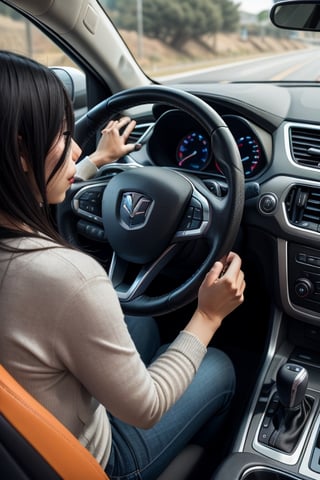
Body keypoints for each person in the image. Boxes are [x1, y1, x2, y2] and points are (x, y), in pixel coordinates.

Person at [0, 50, 246, 480]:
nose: (77, 147)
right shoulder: (66, 275)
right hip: (91, 460)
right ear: (22, 152)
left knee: (145, 326)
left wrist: (97, 161)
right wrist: (208, 315)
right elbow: (146, 408)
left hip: (23, 443)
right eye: (61, 135)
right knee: (221, 366)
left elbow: (47, 190)